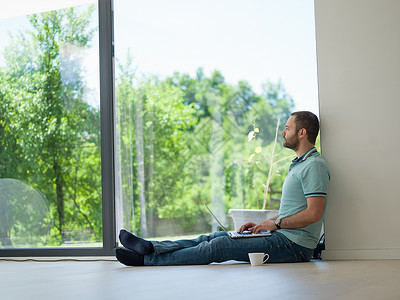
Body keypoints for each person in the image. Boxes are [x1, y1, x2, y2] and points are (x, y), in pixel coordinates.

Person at [115, 111, 330, 266]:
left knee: (217, 247)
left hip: (295, 246)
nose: (283, 132)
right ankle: (152, 247)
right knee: (210, 238)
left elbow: (314, 213)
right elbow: (295, 211)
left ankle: (147, 260)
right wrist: (267, 224)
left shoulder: (314, 166)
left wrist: (277, 224)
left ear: (302, 133)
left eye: (287, 128)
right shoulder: (300, 164)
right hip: (283, 236)